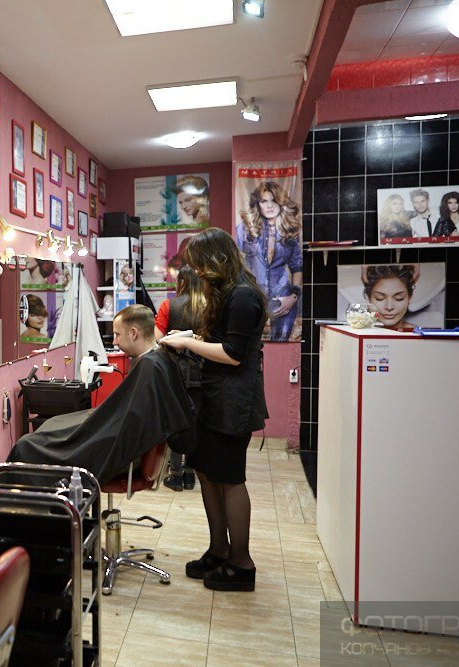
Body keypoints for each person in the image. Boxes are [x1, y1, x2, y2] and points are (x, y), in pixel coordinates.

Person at [160, 228, 268, 593]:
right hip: (213, 397)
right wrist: (190, 337)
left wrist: (188, 343)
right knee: (207, 472)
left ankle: (241, 562)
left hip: (233, 402)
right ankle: (219, 549)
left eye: (201, 265)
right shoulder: (227, 292)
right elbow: (220, 341)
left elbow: (234, 354)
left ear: (217, 259)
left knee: (230, 478)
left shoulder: (243, 296)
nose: (198, 272)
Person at [9, 305, 196, 482]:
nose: (114, 341)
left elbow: (124, 429)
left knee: (27, 446)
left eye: (117, 334)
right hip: (115, 438)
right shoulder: (158, 360)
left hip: (117, 452)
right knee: (52, 425)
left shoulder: (150, 366)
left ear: (134, 333)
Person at [154, 267, 205, 492]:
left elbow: (157, 339)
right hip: (203, 371)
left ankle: (175, 475)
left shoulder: (169, 306)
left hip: (176, 371)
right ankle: (190, 474)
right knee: (195, 421)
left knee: (176, 419)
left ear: (181, 282)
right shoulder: (207, 307)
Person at [235, 181, 303, 342]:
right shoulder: (245, 229)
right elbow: (236, 262)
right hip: (252, 299)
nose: (269, 206)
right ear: (257, 204)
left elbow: (297, 266)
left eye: (274, 201)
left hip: (283, 300)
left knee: (282, 345)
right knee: (248, 344)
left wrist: (293, 297)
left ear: (281, 202)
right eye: (264, 201)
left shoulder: (290, 231)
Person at [362, 264, 418, 331]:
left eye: (399, 298)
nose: (389, 307)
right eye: (380, 298)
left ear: (409, 298)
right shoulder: (357, 333)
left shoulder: (418, 333)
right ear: (368, 298)